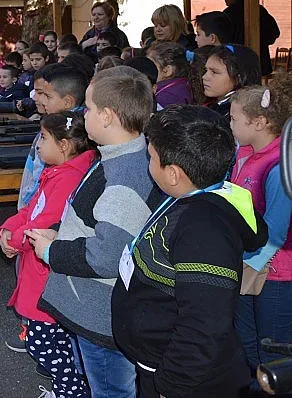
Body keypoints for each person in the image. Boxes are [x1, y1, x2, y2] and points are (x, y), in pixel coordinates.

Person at [111, 105, 266, 398]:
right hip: (157, 361)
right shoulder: (187, 196)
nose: (148, 163)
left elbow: (203, 325)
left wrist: (170, 387)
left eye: (151, 157)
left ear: (173, 174)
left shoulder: (204, 231)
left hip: (182, 380)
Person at [26, 66, 155, 398]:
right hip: (94, 308)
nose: (84, 115)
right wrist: (58, 232)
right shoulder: (112, 157)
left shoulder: (123, 176)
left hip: (102, 316)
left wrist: (51, 252)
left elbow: (107, 255)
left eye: (89, 108)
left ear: (108, 116)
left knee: (111, 390)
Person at [0, 112, 97, 398]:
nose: (38, 145)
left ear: (64, 145)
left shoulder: (68, 179)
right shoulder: (57, 172)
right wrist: (7, 230)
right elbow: (31, 211)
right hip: (39, 271)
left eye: (43, 138)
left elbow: (46, 222)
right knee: (51, 344)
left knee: (46, 344)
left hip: (48, 278)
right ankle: (67, 389)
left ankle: (70, 393)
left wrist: (15, 240)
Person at [7, 63, 88, 352]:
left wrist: (16, 237)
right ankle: (31, 328)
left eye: (45, 94)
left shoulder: (66, 169)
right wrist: (11, 227)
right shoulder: (55, 134)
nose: (38, 99)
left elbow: (49, 217)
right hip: (31, 219)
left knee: (53, 344)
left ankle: (36, 331)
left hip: (39, 237)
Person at [230, 77, 292, 375]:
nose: (229, 124)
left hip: (274, 272)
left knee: (273, 353)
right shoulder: (244, 153)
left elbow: (277, 230)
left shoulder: (279, 164)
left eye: (234, 118)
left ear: (260, 122)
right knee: (248, 345)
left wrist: (247, 264)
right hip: (245, 263)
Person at [221, 0, 281, 76]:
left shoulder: (228, 14)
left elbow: (222, 39)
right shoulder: (259, 9)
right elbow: (274, 32)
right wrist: (261, 44)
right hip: (259, 63)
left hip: (238, 64)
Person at [201, 44, 261, 117]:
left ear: (239, 77)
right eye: (206, 70)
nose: (204, 77)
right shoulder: (214, 106)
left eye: (214, 72)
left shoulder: (240, 117)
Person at [147, 41, 192, 108]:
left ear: (167, 71)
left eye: (149, 64)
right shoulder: (183, 85)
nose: (146, 67)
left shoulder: (165, 97)